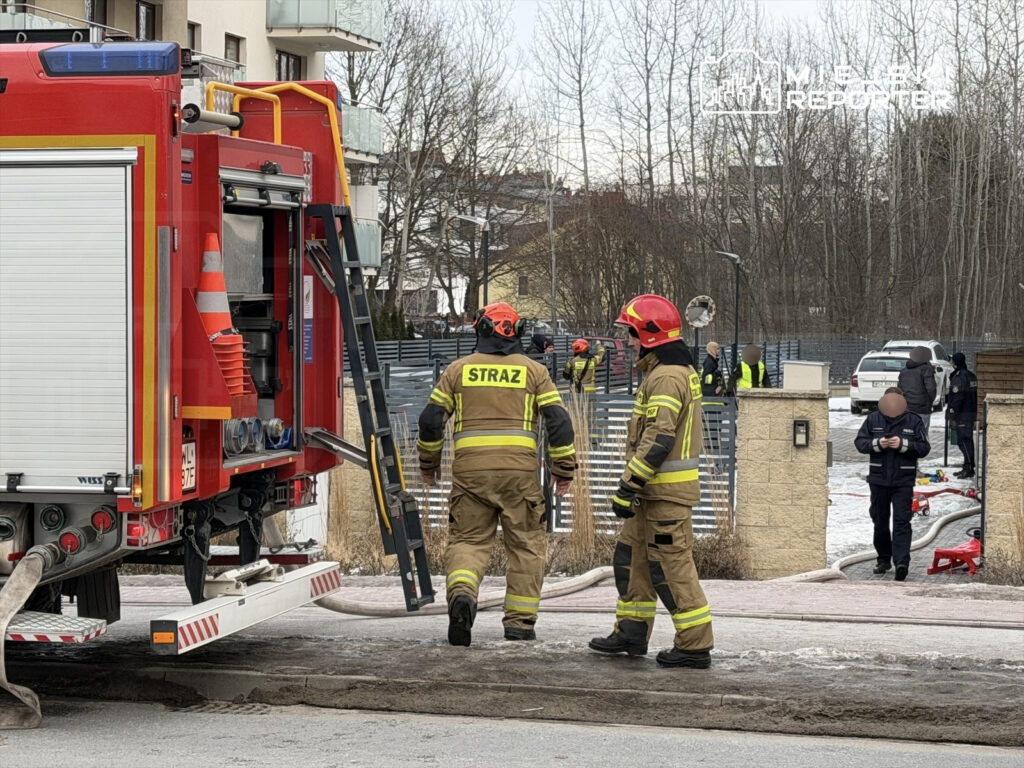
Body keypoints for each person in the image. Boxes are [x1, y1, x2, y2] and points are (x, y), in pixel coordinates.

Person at [417, 301, 576, 647]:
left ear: (481, 330)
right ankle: (519, 623)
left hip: (470, 475)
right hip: (519, 476)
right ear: (517, 333)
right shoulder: (534, 372)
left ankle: (462, 595)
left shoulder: (458, 370)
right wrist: (563, 471)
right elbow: (559, 423)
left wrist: (429, 465)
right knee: (526, 546)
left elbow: (430, 420)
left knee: (468, 542)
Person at [588, 294, 713, 669]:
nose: (626, 342)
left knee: (669, 567)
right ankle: (631, 631)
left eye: (630, 334)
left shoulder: (667, 377)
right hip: (651, 494)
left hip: (664, 495)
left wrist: (627, 485)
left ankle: (694, 644)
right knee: (632, 561)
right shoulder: (665, 373)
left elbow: (658, 438)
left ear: (650, 335)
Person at [854, 388, 930, 582]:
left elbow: (924, 447)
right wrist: (878, 443)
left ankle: (902, 563)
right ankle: (883, 558)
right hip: (878, 480)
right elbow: (860, 442)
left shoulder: (914, 421)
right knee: (879, 521)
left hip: (903, 481)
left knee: (901, 522)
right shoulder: (873, 419)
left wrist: (903, 445)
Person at [946, 352, 978, 479]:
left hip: (962, 414)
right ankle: (968, 467)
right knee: (968, 441)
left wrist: (952, 412)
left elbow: (958, 397)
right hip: (970, 412)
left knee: (963, 441)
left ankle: (968, 467)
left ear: (956, 363)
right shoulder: (971, 375)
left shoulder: (959, 377)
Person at [897, 346, 936, 431]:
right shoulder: (926, 369)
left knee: (909, 434)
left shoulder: (903, 371)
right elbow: (931, 389)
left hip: (907, 408)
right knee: (922, 434)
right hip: (922, 408)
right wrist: (930, 402)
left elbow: (899, 390)